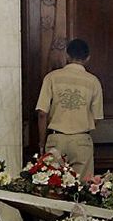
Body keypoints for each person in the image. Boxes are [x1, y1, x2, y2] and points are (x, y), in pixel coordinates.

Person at [35, 38, 104, 178]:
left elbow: (42, 113)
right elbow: (97, 117)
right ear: (88, 58)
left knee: (53, 187)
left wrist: (42, 143)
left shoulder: (52, 78)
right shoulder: (93, 82)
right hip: (81, 140)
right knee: (82, 189)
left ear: (66, 55)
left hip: (56, 138)